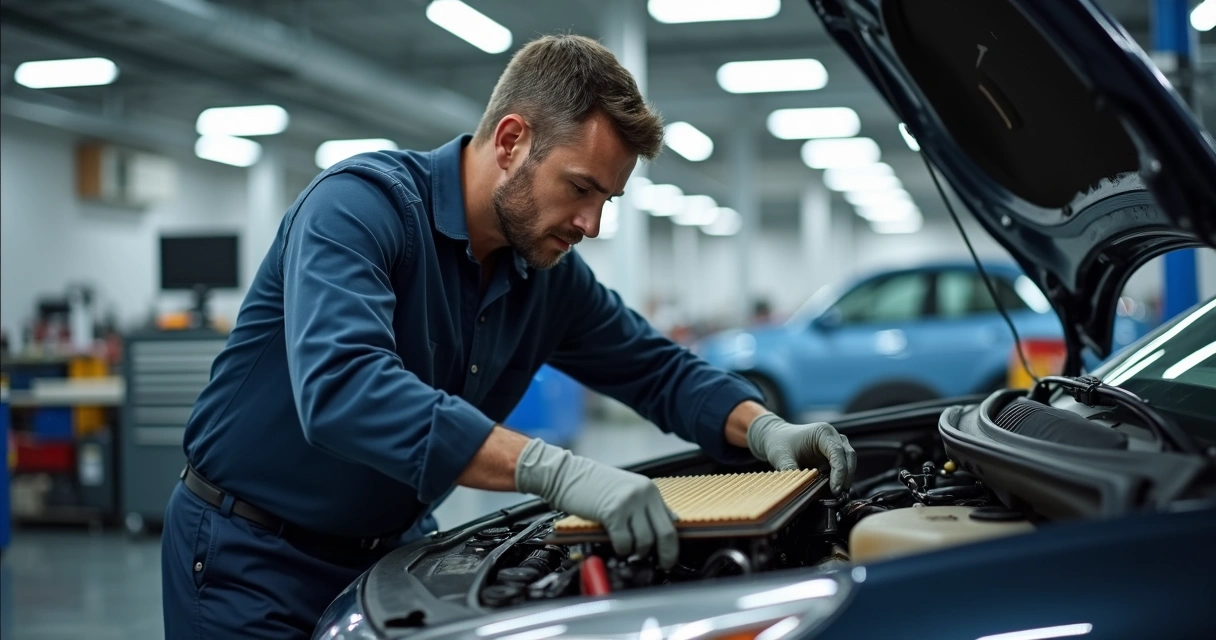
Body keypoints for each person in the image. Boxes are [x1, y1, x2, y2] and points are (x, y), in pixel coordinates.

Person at [161, 34, 856, 639]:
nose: (592, 225)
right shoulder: (358, 208)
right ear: (511, 140)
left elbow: (658, 369)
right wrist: (556, 471)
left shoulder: (546, 276)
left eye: (607, 200)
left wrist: (764, 429)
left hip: (391, 555)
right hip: (252, 556)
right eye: (580, 188)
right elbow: (345, 389)